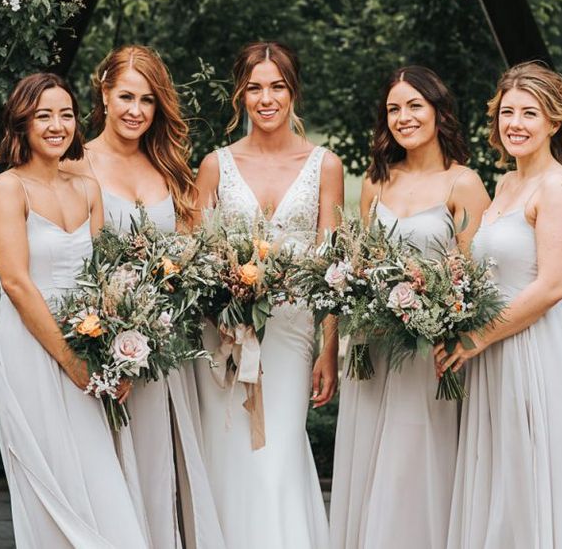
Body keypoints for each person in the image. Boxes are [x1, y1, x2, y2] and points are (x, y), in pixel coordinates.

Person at [435, 62, 562, 548]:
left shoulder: (559, 186)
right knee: (501, 470)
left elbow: (550, 287)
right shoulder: (503, 185)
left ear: (553, 122)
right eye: (507, 112)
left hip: (530, 351)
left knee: (533, 468)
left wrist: (476, 336)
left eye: (529, 113)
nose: (516, 123)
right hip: (489, 350)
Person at [64, 44, 225, 549]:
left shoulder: (170, 169)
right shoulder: (76, 165)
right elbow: (73, 268)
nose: (136, 110)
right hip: (102, 345)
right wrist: (107, 341)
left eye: (148, 100)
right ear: (104, 94)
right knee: (108, 470)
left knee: (160, 466)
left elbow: (190, 255)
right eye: (126, 96)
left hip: (164, 346)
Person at [329, 66, 490, 549]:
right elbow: (358, 261)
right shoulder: (376, 183)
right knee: (372, 456)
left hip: (428, 350)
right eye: (394, 108)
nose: (403, 117)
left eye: (414, 106)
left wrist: (442, 318)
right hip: (373, 348)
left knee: (416, 457)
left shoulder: (464, 184)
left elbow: (475, 278)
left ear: (439, 113)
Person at [0, 72, 148, 548]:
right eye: (43, 116)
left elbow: (105, 282)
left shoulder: (86, 188)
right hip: (30, 349)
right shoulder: (6, 189)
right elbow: (16, 283)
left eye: (66, 114)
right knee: (50, 481)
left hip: (88, 341)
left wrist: (120, 355)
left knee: (99, 477)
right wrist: (71, 362)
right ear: (21, 124)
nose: (57, 125)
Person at [193, 41, 343, 549]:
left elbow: (332, 265)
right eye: (254, 87)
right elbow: (194, 256)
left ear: (293, 91)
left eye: (277, 86)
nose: (266, 98)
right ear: (240, 94)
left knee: (277, 459)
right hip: (226, 335)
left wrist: (329, 347)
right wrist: (224, 299)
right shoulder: (215, 165)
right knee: (230, 455)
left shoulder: (326, 166)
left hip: (293, 332)